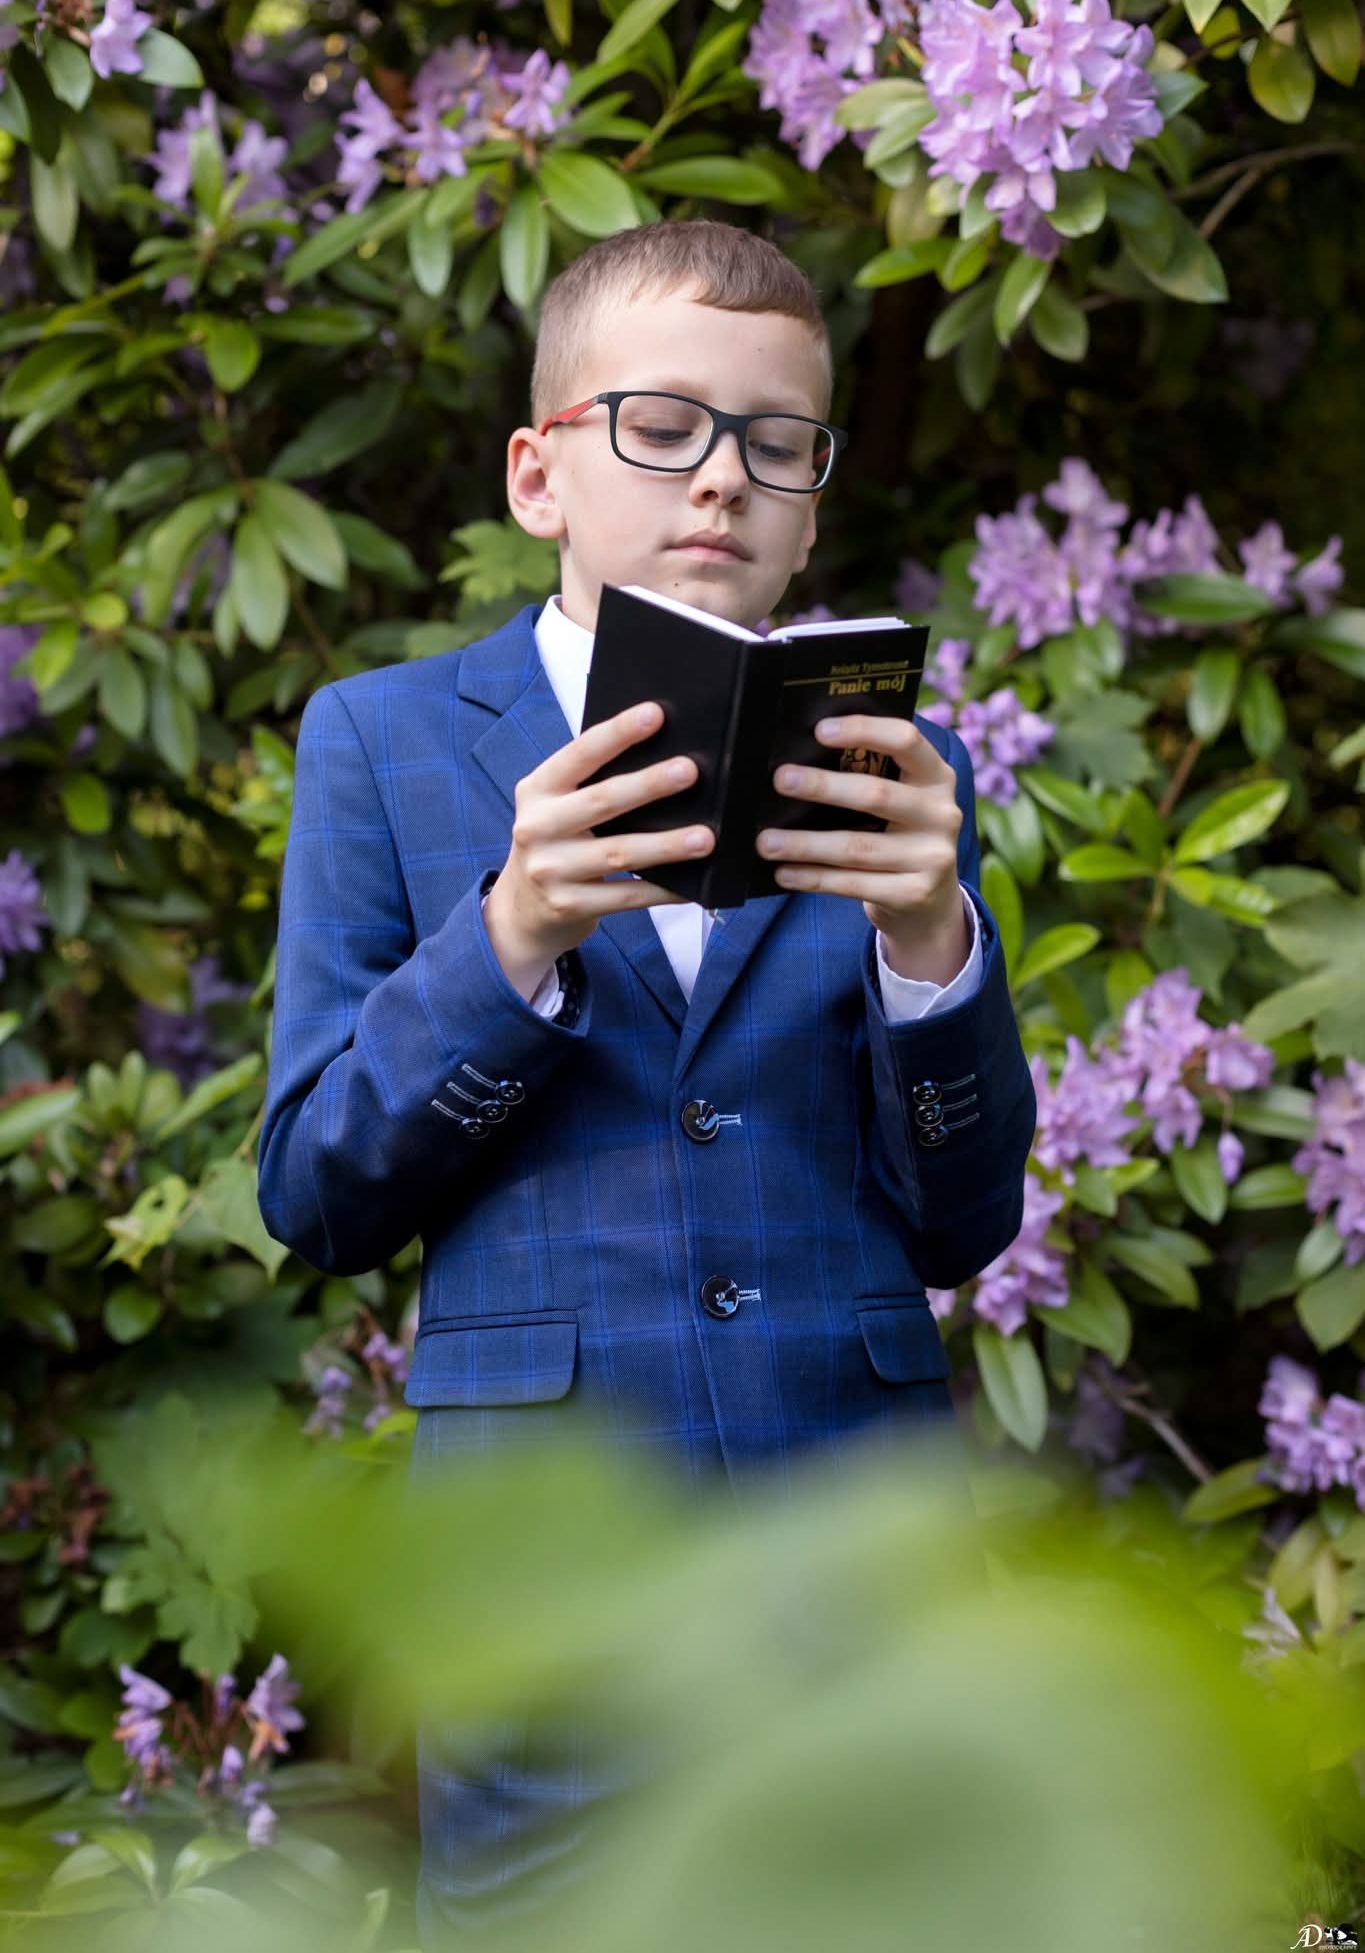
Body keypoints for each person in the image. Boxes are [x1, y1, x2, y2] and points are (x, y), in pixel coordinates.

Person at [256, 217, 1036, 1946]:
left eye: (777, 444)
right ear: (540, 473)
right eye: (661, 427)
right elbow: (314, 1190)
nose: (723, 482)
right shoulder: (383, 744)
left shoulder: (898, 768)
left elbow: (966, 1222)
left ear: (815, 503)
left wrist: (928, 939)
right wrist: (511, 928)